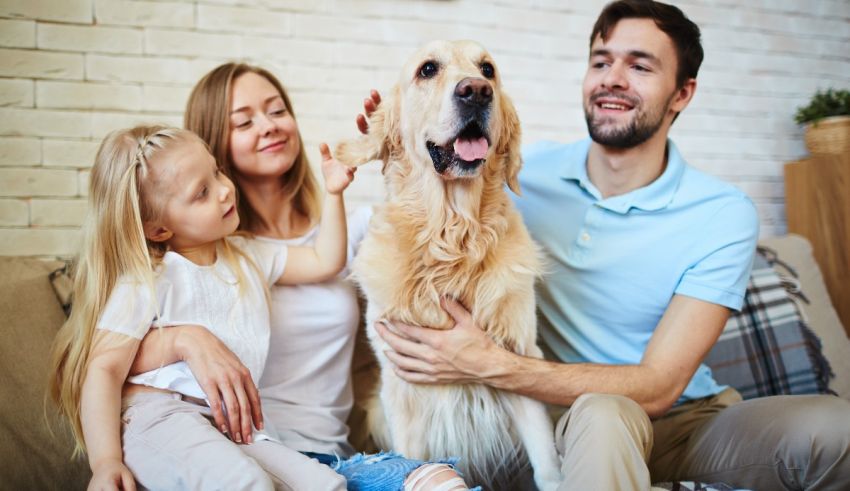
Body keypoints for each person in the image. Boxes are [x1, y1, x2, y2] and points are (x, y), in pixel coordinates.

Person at [367, 1, 850, 490]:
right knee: (601, 414)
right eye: (601, 61)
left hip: (691, 422)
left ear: (683, 93)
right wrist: (392, 129)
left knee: (838, 431)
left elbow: (660, 386)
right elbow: (421, 195)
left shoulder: (723, 213)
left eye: (639, 65)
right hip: (580, 424)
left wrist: (490, 363)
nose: (613, 78)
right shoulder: (517, 178)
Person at [128, 64, 472, 490]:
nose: (269, 127)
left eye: (276, 111)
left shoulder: (347, 230)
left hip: (329, 460)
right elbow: (107, 360)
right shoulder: (197, 255)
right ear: (212, 143)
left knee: (442, 483)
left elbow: (441, 233)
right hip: (239, 455)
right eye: (245, 121)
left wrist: (398, 142)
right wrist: (182, 338)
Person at [49, 124, 357, 490]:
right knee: (246, 484)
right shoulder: (149, 279)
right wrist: (106, 462)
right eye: (202, 193)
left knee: (329, 486)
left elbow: (325, 260)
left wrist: (334, 193)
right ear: (158, 229)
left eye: (217, 172)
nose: (226, 190)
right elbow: (102, 369)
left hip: (231, 425)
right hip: (157, 417)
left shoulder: (248, 257)